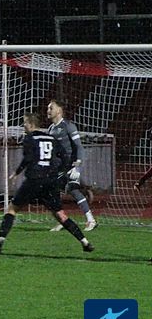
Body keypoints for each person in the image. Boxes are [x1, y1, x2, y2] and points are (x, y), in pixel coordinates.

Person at [0, 112, 95, 255]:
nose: (23, 125)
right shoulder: (51, 138)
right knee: (61, 215)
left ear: (31, 124)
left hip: (35, 180)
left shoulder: (30, 138)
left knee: (12, 209)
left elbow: (28, 158)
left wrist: (16, 173)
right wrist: (58, 172)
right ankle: (85, 242)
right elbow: (65, 157)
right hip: (50, 181)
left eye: (25, 122)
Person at [47, 99, 98, 232]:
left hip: (71, 165)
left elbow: (79, 147)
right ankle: (63, 220)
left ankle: (91, 220)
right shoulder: (51, 129)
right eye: (48, 108)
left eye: (51, 108)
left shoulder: (68, 126)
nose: (48, 111)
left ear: (59, 110)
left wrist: (78, 166)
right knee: (54, 193)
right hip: (59, 167)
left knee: (73, 190)